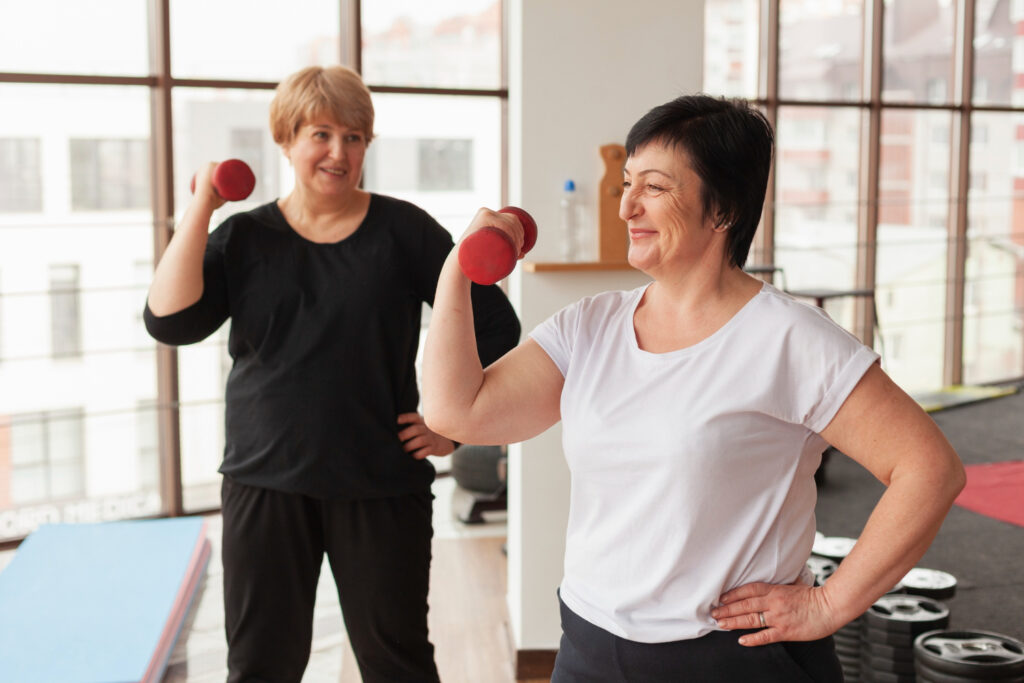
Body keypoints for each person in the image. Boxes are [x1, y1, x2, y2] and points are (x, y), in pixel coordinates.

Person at [421, 94, 966, 682]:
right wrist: (457, 268)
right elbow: (458, 412)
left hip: (731, 659)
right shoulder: (589, 327)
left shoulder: (789, 338)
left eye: (655, 187)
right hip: (590, 647)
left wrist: (828, 604)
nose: (627, 204)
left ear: (723, 208)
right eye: (627, 184)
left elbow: (929, 469)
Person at [143, 64, 520, 683]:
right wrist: (202, 206)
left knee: (396, 661)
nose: (338, 152)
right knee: (261, 665)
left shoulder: (407, 232)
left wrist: (453, 428)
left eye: (353, 137)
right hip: (264, 483)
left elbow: (498, 331)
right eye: (320, 134)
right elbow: (170, 320)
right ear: (287, 141)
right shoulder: (244, 236)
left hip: (380, 484)